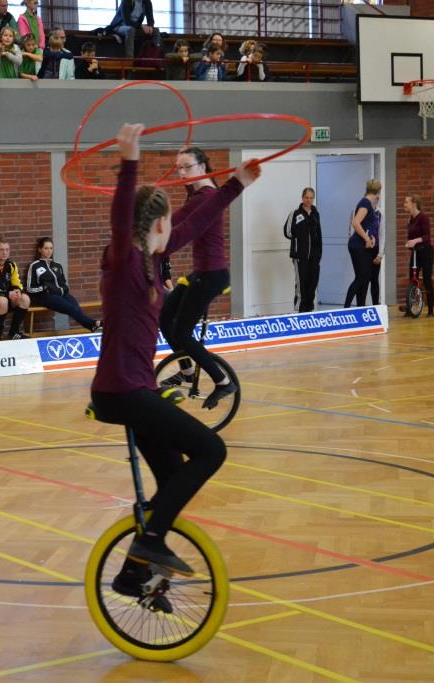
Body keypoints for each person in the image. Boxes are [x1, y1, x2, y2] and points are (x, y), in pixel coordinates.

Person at [91, 123, 259, 592]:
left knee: (171, 478)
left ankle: (135, 572)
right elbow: (123, 219)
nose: (174, 227)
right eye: (168, 221)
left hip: (132, 390)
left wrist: (236, 184)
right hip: (124, 391)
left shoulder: (151, 260)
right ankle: (149, 543)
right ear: (155, 225)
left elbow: (197, 222)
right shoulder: (125, 261)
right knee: (211, 450)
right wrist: (129, 162)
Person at [157, 147, 246, 409]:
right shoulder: (198, 194)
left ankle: (222, 381)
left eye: (186, 167)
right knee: (165, 317)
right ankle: (186, 371)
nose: (182, 173)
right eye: (179, 168)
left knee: (182, 333)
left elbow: (177, 223)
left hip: (212, 276)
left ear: (202, 167)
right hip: (201, 274)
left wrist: (150, 228)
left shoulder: (206, 197)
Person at [25, 237, 100, 332]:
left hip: (61, 294)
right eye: (46, 248)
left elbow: (63, 282)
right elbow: (30, 288)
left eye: (51, 248)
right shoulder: (35, 266)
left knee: (75, 307)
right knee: (70, 308)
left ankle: (92, 326)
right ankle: (94, 323)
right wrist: (44, 288)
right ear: (40, 249)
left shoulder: (57, 265)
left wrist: (64, 289)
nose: (49, 251)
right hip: (45, 296)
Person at [344, 178, 382, 307]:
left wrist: (370, 238)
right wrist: (367, 239)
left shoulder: (368, 204)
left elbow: (365, 226)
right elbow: (355, 223)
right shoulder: (365, 203)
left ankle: (360, 306)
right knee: (361, 277)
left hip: (361, 246)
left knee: (364, 278)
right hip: (358, 245)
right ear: (378, 192)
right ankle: (346, 307)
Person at [283, 187, 322, 312]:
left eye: (311, 198)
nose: (308, 200)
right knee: (301, 286)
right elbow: (287, 232)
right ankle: (300, 311)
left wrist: (319, 254)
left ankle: (309, 310)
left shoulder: (316, 214)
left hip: (314, 258)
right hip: (300, 257)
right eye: (306, 197)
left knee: (312, 285)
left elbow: (319, 235)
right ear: (302, 198)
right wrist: (299, 240)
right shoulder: (295, 213)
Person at [403, 194, 434, 317]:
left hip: (426, 252)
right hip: (416, 252)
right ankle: (410, 308)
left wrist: (415, 241)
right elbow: (410, 237)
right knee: (412, 278)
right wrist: (409, 243)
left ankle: (431, 309)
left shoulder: (423, 218)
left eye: (406, 202)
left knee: (427, 279)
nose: (404, 205)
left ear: (414, 204)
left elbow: (427, 236)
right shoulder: (410, 219)